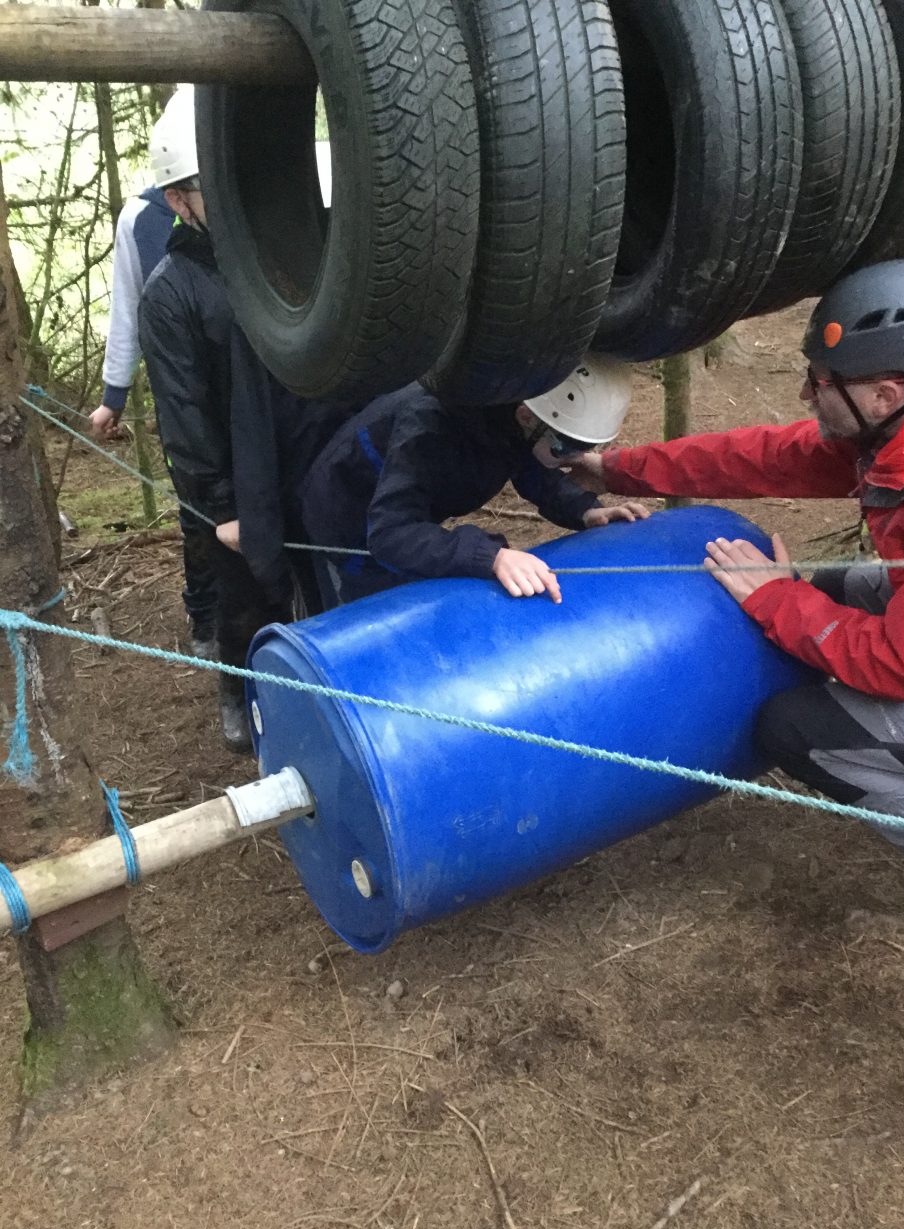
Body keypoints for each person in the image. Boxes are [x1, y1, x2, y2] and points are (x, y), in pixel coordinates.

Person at [565, 259, 904, 908]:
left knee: (795, 727)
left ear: (884, 394)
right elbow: (766, 457)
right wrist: (618, 470)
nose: (804, 395)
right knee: (828, 595)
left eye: (819, 382)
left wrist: (776, 598)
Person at [137, 87, 346, 752]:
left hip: (311, 452)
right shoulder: (171, 293)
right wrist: (221, 507)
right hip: (236, 477)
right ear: (179, 200)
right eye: (210, 186)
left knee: (326, 580)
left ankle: (332, 696)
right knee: (247, 597)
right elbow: (184, 414)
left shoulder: (286, 250)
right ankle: (238, 692)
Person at [297, 355, 649, 609]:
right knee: (374, 618)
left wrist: (584, 510)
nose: (574, 458)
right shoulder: (429, 429)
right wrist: (490, 556)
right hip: (348, 522)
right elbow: (390, 534)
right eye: (566, 446)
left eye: (585, 448)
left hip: (400, 509)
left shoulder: (512, 410)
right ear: (527, 416)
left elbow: (528, 464)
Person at [88, 86, 218, 659]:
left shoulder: (250, 204)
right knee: (198, 510)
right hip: (182, 391)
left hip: (251, 383)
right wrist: (114, 394)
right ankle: (206, 619)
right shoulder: (140, 219)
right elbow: (128, 308)